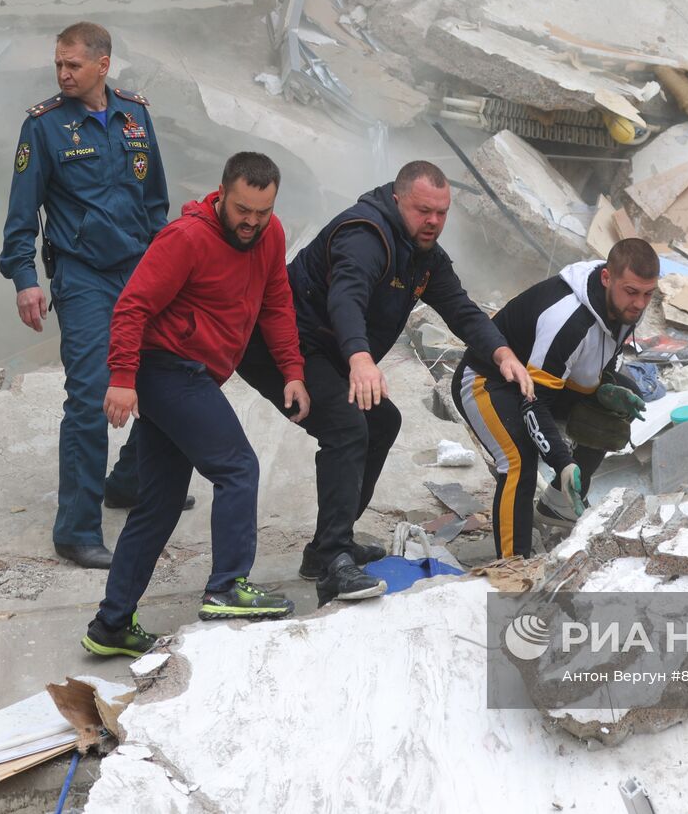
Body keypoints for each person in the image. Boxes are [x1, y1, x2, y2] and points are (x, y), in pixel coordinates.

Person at [236, 161, 533, 606]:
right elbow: (347, 295)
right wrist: (359, 358)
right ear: (397, 200)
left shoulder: (423, 254)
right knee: (347, 426)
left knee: (382, 422)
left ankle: (325, 549)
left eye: (442, 212)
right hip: (284, 346)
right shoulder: (366, 235)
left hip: (326, 350)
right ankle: (334, 561)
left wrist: (502, 353)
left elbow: (461, 308)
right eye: (422, 210)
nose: (433, 221)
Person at [82, 152, 307, 657]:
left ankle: (111, 625)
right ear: (222, 192)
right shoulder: (186, 238)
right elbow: (132, 305)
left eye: (262, 212)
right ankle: (227, 586)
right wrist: (121, 377)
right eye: (242, 209)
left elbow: (276, 303)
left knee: (157, 506)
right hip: (166, 370)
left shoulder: (271, 237)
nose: (251, 222)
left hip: (196, 374)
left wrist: (292, 371)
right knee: (238, 466)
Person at [0, 21, 190, 571]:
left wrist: (167, 267)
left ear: (103, 65)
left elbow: (155, 198)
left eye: (73, 65)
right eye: (58, 64)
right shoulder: (44, 126)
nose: (62, 74)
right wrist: (24, 277)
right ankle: (76, 532)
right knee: (89, 396)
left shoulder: (135, 115)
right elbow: (21, 210)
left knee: (165, 376)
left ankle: (129, 482)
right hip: (83, 277)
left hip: (141, 270)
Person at [451, 240, 656, 559]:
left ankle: (559, 504)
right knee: (519, 460)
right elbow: (535, 403)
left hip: (541, 381)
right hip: (488, 380)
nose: (640, 304)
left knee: (618, 406)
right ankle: (513, 565)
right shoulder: (568, 320)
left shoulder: (626, 305)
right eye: (632, 291)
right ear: (606, 278)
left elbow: (593, 362)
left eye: (648, 294)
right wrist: (562, 461)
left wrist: (605, 389)